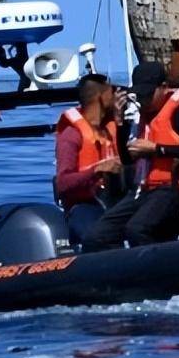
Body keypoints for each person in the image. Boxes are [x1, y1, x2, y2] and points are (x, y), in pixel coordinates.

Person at [83, 58, 179, 251]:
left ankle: (161, 274)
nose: (143, 101)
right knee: (96, 236)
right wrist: (120, 126)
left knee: (137, 229)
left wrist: (157, 150)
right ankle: (120, 273)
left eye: (148, 95)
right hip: (144, 190)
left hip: (175, 189)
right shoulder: (142, 114)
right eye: (140, 96)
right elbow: (126, 159)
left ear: (163, 88)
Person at [53, 74, 123, 247]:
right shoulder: (72, 134)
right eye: (112, 91)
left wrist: (121, 122)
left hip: (115, 203)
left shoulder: (113, 128)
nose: (116, 95)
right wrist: (97, 171)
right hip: (84, 206)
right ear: (101, 96)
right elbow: (63, 183)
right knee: (99, 236)